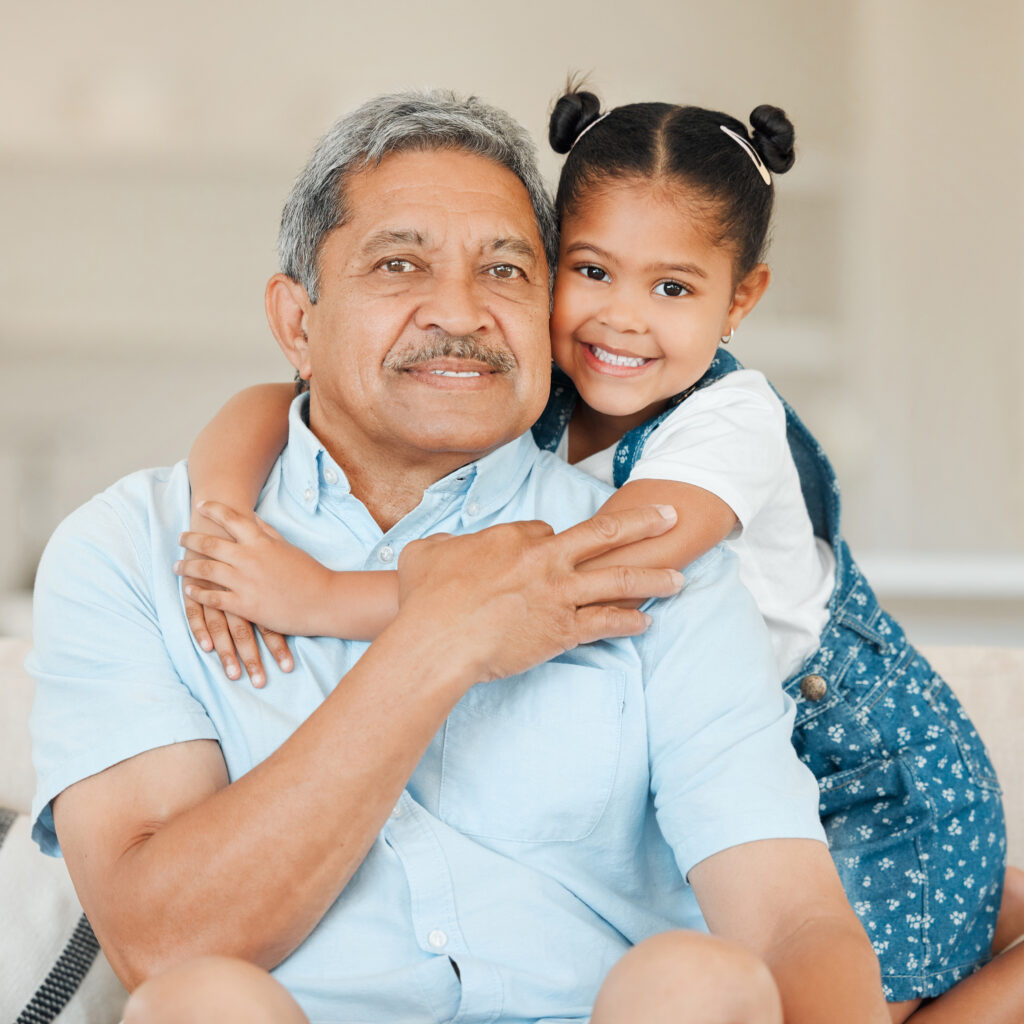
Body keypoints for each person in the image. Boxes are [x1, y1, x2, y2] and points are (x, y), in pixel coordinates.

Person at [27, 90, 891, 1024]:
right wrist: (439, 639)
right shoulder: (137, 551)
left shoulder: (640, 552)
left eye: (508, 270)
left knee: (704, 979)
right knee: (197, 1003)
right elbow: (160, 942)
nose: (462, 311)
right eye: (399, 265)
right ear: (296, 323)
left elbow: (791, 921)